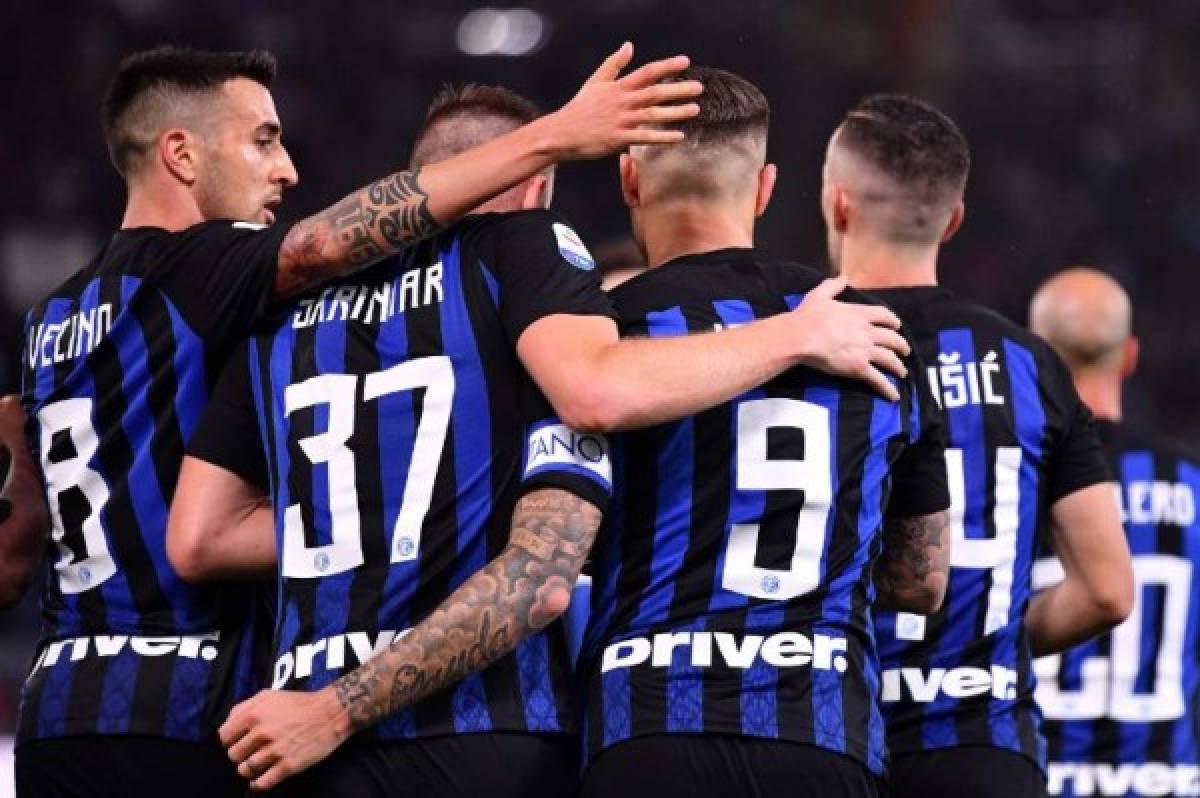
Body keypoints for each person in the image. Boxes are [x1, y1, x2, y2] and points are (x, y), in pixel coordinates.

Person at [167, 82, 915, 795]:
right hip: (498, 734)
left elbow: (199, 539)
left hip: (298, 728)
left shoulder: (277, 319)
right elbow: (575, 467)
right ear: (532, 191)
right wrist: (792, 335)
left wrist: (382, 524)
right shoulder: (533, 282)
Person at [12, 41, 717, 798]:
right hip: (198, 706)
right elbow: (324, 244)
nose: (287, 170)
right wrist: (553, 135)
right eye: (263, 140)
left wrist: (342, 517)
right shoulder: (212, 269)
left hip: (55, 708)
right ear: (180, 155)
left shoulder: (49, 319)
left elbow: (29, 547)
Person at [575, 67, 952, 798]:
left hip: (644, 724)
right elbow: (922, 580)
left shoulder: (597, 333)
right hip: (821, 733)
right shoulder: (875, 331)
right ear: (766, 186)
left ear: (628, 179)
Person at [823, 94, 1135, 798]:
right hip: (983, 745)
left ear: (839, 205)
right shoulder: (1030, 363)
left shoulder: (798, 341)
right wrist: (983, 638)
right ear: (954, 220)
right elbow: (1109, 591)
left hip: (826, 734)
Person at [1030, 268, 1200, 798]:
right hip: (1169, 779)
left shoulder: (1006, 478)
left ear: (1034, 356)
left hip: (1034, 777)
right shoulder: (1191, 481)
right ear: (1129, 356)